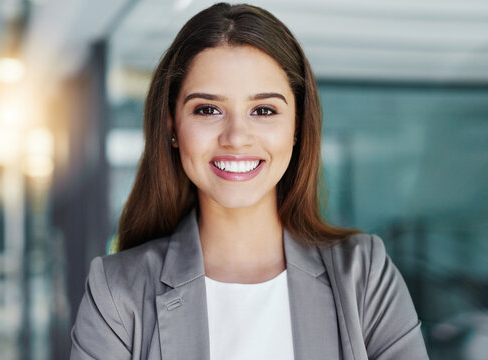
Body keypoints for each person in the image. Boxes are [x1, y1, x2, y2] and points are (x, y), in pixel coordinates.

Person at [70, 3, 429, 359]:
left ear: (298, 127)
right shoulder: (117, 292)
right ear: (172, 127)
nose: (236, 137)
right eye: (208, 109)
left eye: (264, 110)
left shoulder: (362, 275)